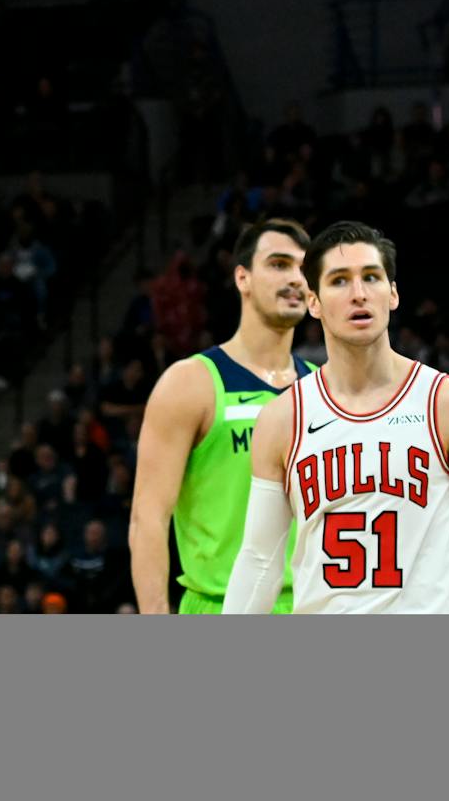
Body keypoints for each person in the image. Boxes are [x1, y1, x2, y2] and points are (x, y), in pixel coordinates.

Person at [225, 222, 449, 614]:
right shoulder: (282, 419)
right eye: (339, 281)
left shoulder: (447, 403)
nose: (359, 294)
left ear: (392, 293)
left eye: (371, 277)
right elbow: (259, 560)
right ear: (313, 301)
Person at [129, 218, 315, 612]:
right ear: (243, 278)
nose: (296, 278)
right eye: (280, 264)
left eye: (304, 268)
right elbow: (148, 520)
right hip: (220, 605)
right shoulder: (190, 383)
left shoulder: (325, 388)